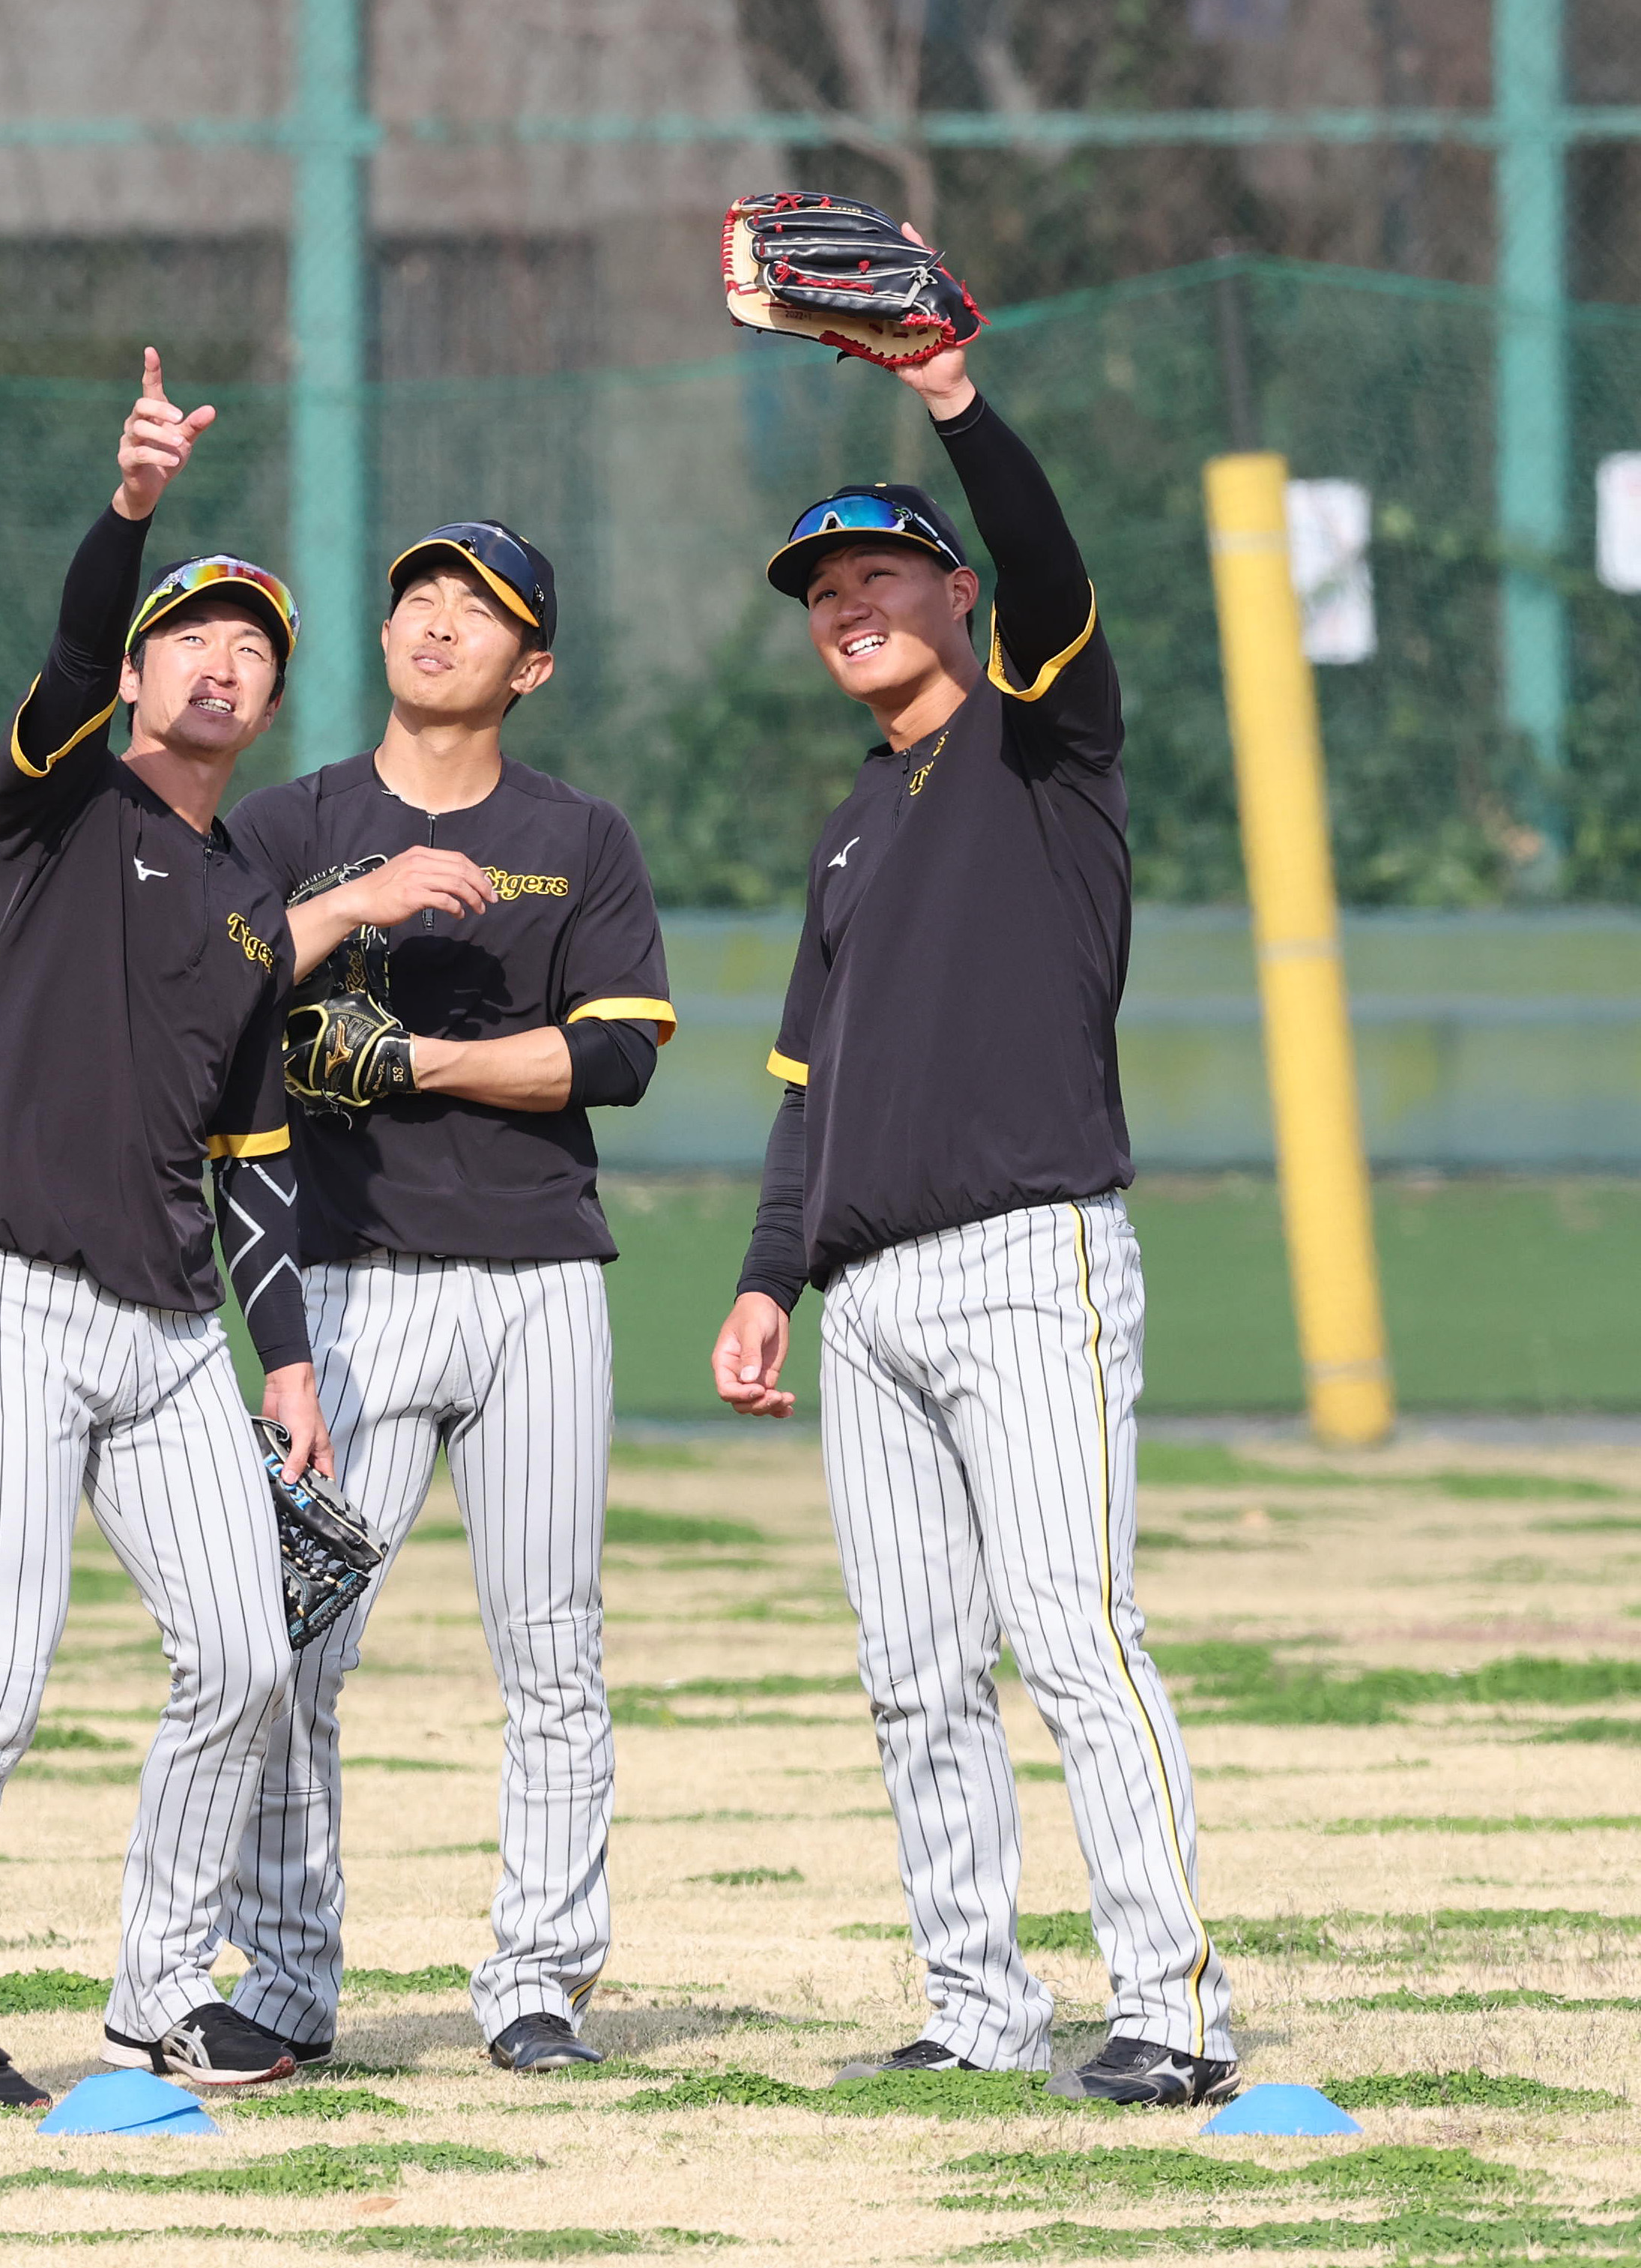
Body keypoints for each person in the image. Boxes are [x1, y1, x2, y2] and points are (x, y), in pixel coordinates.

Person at [707, 268, 1239, 2108]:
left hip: (1029, 1260)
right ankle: (975, 2004)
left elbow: (1049, 557)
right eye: (819, 593)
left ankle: (1169, 2007)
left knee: (1075, 1638)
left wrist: (946, 393)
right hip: (868, 1300)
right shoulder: (851, 826)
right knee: (912, 1674)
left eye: (877, 575)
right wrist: (772, 1272)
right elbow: (809, 1084)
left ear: (960, 597)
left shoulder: (1044, 746)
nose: (844, 604)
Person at [0, 351, 330, 2110]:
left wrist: (282, 1359)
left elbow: (246, 1146)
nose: (222, 659)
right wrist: (132, 507)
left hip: (163, 1335)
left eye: (255, 648)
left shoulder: (243, 898)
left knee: (241, 1650)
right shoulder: (61, 804)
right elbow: (66, 647)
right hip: (9, 1298)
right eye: (192, 636)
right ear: (135, 673)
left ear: (272, 698)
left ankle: (154, 1997)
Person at [209, 521, 673, 2078]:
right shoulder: (292, 820)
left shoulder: (579, 834)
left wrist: (411, 1063)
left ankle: (537, 1978)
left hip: (541, 1277)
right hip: (346, 1281)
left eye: (477, 609)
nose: (435, 618)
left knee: (549, 1646)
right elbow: (209, 992)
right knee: (293, 1643)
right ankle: (280, 1983)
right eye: (417, 593)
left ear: (527, 665)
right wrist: (345, 924)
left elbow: (611, 1055)